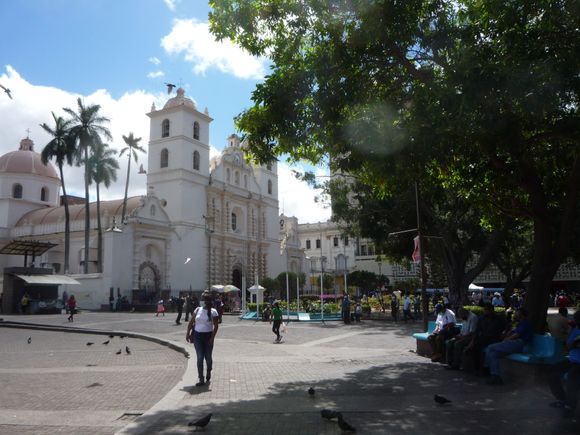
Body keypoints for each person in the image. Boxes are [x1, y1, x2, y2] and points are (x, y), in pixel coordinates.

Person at [484, 308, 533, 385]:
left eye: (517, 314)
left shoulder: (525, 323)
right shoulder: (518, 324)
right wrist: (508, 330)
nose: (515, 315)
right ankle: (496, 376)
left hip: (520, 344)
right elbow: (512, 332)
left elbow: (516, 335)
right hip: (514, 344)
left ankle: (486, 367)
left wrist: (505, 340)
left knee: (490, 347)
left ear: (522, 315)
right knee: (493, 354)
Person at [548, 310, 580, 418]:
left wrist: (574, 344)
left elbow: (572, 345)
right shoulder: (575, 329)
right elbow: (569, 345)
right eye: (577, 320)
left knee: (572, 378)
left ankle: (570, 407)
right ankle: (561, 399)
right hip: (572, 360)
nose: (577, 322)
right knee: (552, 371)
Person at [186, 291, 219, 386]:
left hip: (208, 336)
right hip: (197, 336)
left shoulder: (213, 312)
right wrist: (188, 333)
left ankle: (209, 371)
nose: (201, 301)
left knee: (208, 358)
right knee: (200, 358)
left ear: (206, 301)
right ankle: (201, 379)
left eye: (203, 299)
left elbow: (216, 326)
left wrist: (212, 338)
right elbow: (191, 322)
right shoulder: (197, 310)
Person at [466, 302, 506, 371]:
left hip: (494, 338)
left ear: (492, 310)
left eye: (487, 310)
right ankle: (477, 367)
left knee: (485, 349)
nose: (486, 311)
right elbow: (477, 330)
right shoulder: (482, 318)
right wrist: (473, 341)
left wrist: (503, 335)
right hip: (483, 338)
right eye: (485, 310)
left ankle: (485, 369)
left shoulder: (499, 319)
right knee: (473, 347)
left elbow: (505, 328)